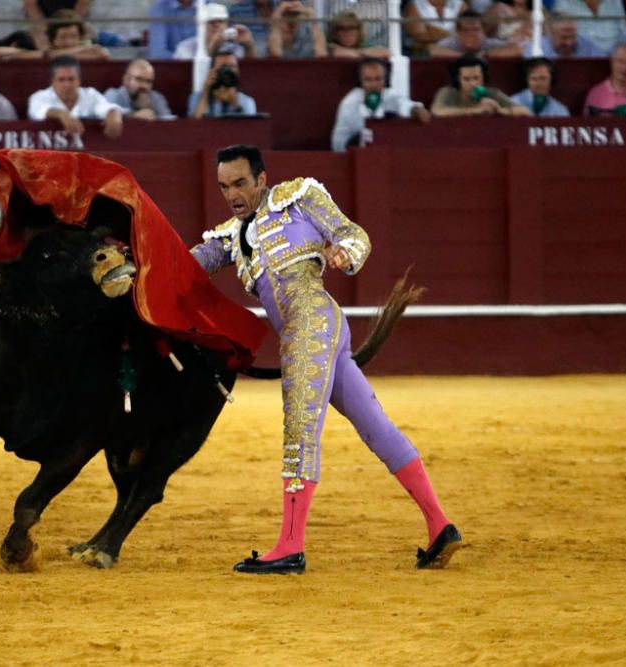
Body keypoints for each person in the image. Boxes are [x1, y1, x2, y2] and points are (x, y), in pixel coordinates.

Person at [189, 144, 463, 574]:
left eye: (240, 183)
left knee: (299, 423)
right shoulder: (230, 236)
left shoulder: (299, 198)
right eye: (224, 186)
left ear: (262, 179)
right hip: (313, 332)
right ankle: (439, 524)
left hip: (312, 324)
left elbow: (354, 234)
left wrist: (344, 254)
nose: (232, 194)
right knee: (375, 426)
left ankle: (290, 546)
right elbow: (190, 265)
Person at [331, 57, 431, 152]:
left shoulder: (389, 95)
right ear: (360, 81)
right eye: (368, 80)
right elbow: (341, 140)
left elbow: (402, 104)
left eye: (378, 79)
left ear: (385, 80)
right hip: (351, 151)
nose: (373, 84)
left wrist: (416, 109)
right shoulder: (350, 102)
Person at [27, 54, 122, 138]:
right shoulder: (39, 97)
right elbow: (39, 110)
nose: (67, 84)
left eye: (71, 79)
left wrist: (113, 113)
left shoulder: (91, 95)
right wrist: (61, 114)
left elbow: (106, 107)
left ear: (79, 80)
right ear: (52, 82)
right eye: (61, 80)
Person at [431, 54, 531, 116]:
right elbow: (437, 111)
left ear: (484, 77)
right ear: (458, 80)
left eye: (476, 78)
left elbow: (525, 112)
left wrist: (500, 111)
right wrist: (474, 111)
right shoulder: (448, 92)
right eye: (467, 79)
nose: (473, 84)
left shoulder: (493, 94)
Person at [173, 2, 256, 60]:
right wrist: (211, 51)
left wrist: (249, 46)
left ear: (226, 24)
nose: (217, 25)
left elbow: (251, 72)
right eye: (211, 22)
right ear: (202, 26)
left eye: (220, 21)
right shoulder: (185, 48)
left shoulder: (235, 47)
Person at [188, 50, 258, 117]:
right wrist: (206, 88)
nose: (228, 70)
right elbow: (196, 125)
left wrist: (235, 103)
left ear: (238, 71)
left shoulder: (246, 101)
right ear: (212, 71)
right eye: (223, 67)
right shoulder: (197, 97)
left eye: (232, 66)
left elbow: (249, 127)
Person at [429, 9, 522, 58]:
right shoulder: (451, 43)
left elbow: (517, 49)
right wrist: (467, 58)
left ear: (483, 32)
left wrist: (486, 55)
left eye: (476, 30)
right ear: (458, 33)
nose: (471, 34)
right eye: (466, 30)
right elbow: (433, 50)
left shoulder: (488, 43)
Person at [104, 58, 173, 120]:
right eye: (139, 79)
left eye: (148, 81)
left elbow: (170, 122)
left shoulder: (156, 97)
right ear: (126, 80)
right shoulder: (114, 94)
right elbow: (107, 117)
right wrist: (134, 116)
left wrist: (150, 109)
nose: (144, 85)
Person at [551, 0, 626, 54]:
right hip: (582, 61)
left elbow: (625, 34)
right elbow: (557, 35)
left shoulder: (615, 2)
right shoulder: (564, 2)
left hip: (615, 61)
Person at [523, 13, 607, 58]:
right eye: (564, 37)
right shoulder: (536, 49)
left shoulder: (586, 45)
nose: (569, 43)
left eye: (573, 36)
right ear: (551, 34)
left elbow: (603, 60)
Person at [45, 8, 109, 60]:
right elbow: (50, 55)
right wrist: (83, 49)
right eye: (63, 37)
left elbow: (104, 54)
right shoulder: (45, 54)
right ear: (53, 39)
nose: (69, 42)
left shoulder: (86, 50)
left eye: (74, 36)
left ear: (80, 36)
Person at [326, 9, 390, 59]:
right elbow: (336, 52)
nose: (347, 33)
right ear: (335, 32)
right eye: (342, 28)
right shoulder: (330, 46)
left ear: (359, 31)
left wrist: (355, 53)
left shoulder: (364, 45)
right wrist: (365, 54)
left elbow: (386, 52)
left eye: (352, 28)